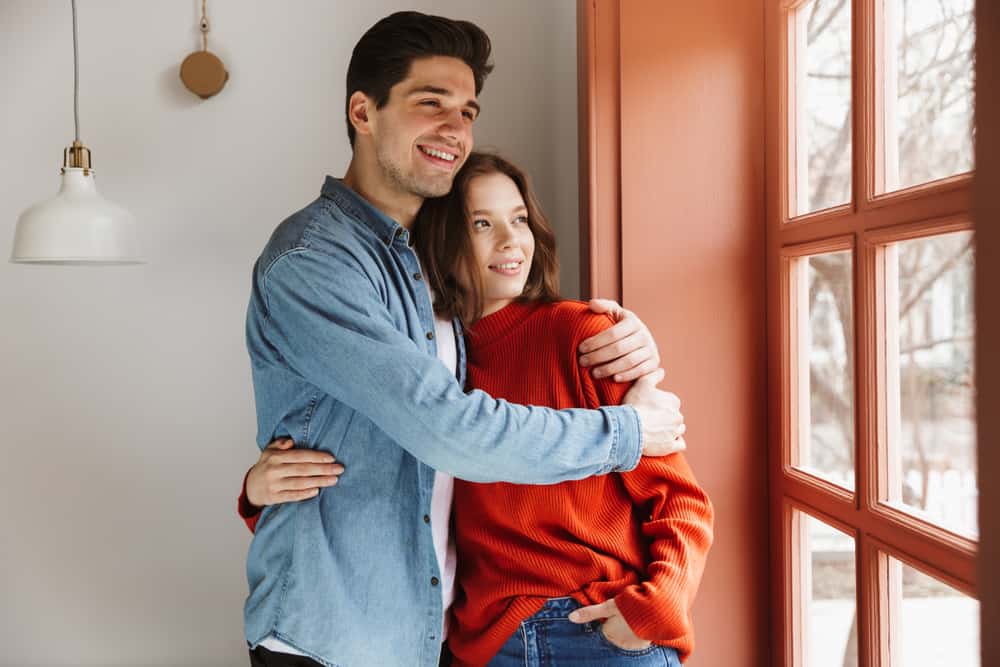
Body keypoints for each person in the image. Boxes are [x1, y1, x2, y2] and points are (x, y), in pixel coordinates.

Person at [241, 11, 687, 667]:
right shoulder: (315, 262)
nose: (456, 129)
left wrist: (626, 333)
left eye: (468, 110)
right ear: (363, 113)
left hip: (434, 634)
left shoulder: (432, 268)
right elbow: (446, 430)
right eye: (432, 104)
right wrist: (625, 430)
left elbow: (375, 438)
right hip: (333, 638)